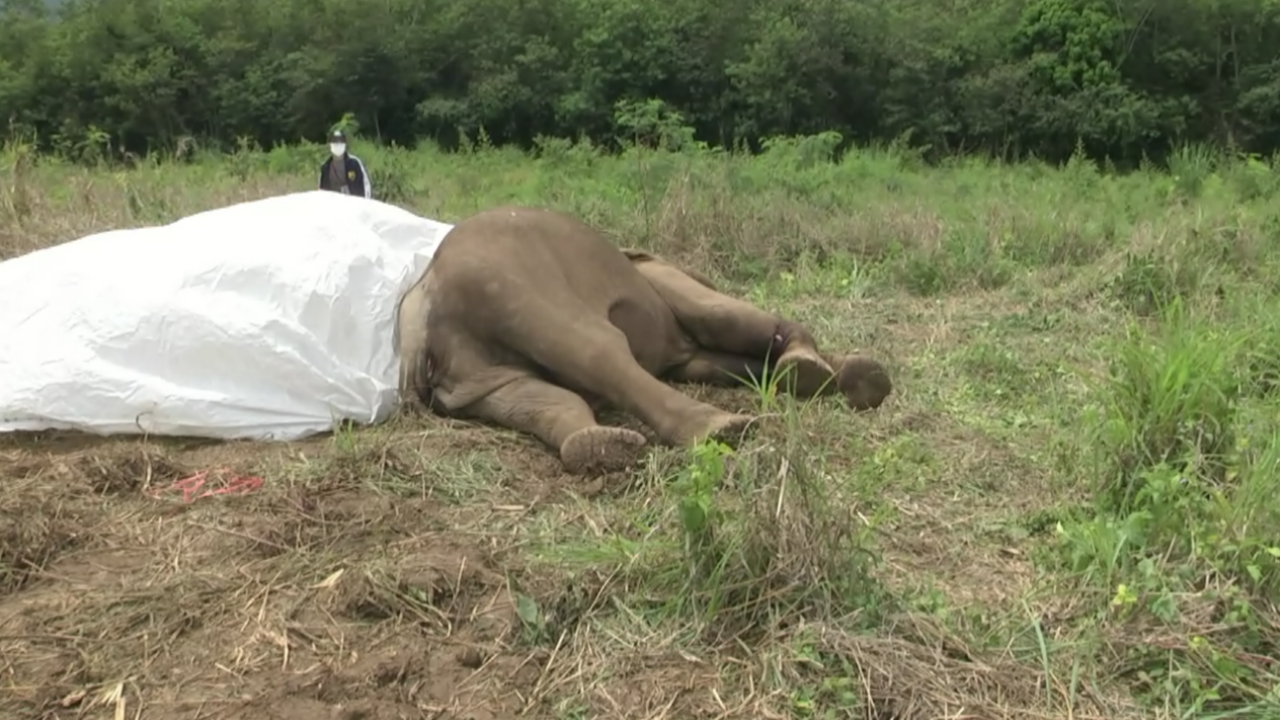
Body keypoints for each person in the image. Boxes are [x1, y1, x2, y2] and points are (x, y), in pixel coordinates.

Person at [318, 129, 372, 198]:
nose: (338, 144)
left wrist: (365, 203)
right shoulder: (325, 168)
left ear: (345, 144)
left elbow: (366, 185)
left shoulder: (354, 163)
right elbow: (321, 191)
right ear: (330, 145)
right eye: (335, 142)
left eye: (340, 141)